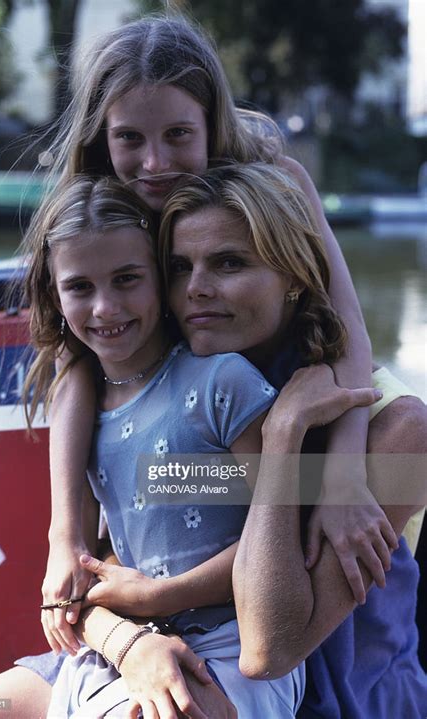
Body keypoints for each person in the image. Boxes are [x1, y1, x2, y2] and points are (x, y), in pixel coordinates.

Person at [33, 15, 398, 659]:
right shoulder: (102, 215)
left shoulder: (274, 182)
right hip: (198, 422)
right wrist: (67, 533)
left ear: (211, 124)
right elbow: (74, 370)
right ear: (101, 136)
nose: (154, 162)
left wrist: (342, 479)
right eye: (129, 138)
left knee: (331, 530)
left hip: (313, 385)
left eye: (178, 134)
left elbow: (347, 336)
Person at [157, 162, 427, 718]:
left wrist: (284, 435)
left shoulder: (403, 432)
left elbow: (269, 646)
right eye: (180, 267)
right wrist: (129, 641)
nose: (196, 289)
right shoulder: (184, 399)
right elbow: (114, 552)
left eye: (229, 262)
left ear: (296, 278)